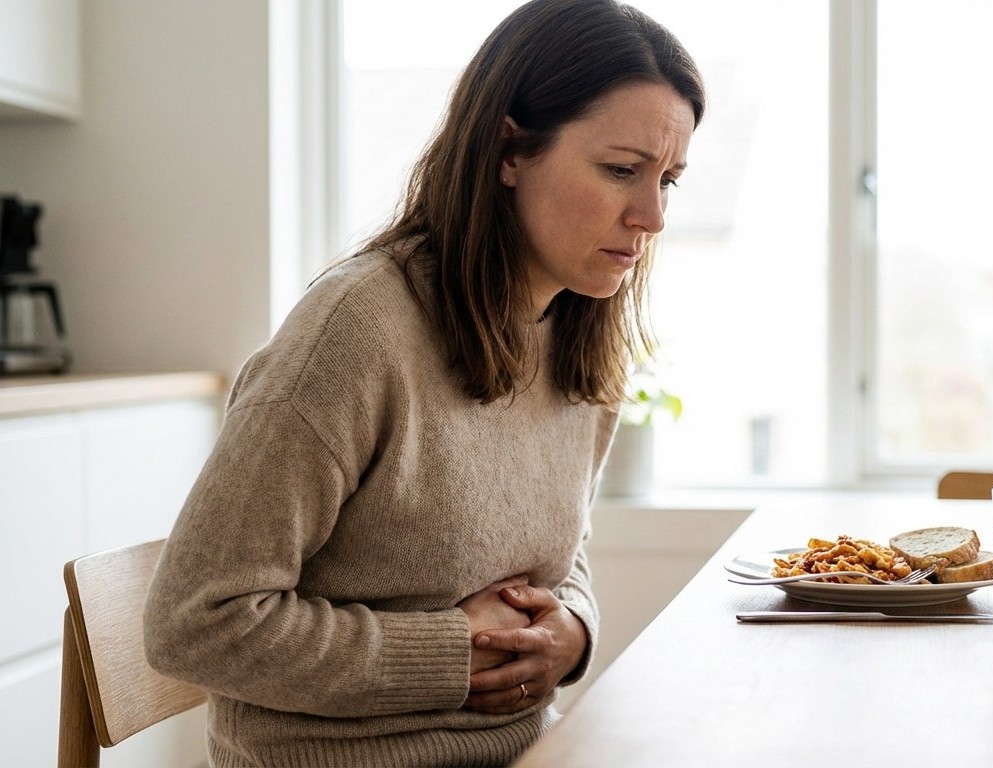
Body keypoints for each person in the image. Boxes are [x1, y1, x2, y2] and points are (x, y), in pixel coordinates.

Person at [142, 0, 704, 765]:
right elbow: (195, 623)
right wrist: (447, 654)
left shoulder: (581, 337)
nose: (652, 215)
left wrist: (570, 630)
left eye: (668, 179)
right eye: (619, 170)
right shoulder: (356, 330)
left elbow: (555, 557)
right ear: (509, 150)